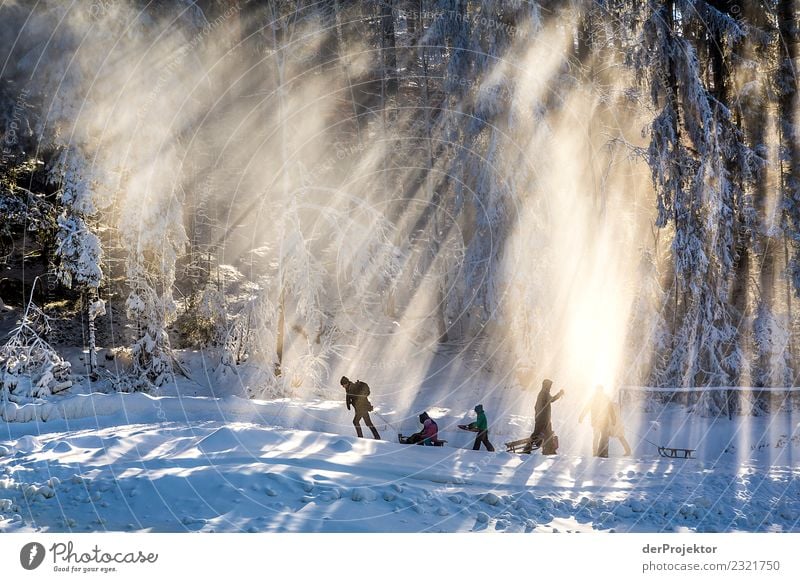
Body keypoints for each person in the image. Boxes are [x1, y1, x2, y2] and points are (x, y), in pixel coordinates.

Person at [528, 378, 565, 455]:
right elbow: (551, 400)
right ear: (546, 386)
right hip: (542, 419)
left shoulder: (543, 393)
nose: (550, 388)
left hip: (544, 419)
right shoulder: (544, 393)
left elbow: (535, 407)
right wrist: (560, 394)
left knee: (548, 434)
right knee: (537, 434)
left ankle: (549, 450)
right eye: (550, 386)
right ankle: (527, 448)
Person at [340, 376, 381, 440]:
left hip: (362, 408)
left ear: (346, 383)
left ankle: (360, 437)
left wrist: (367, 405)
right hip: (360, 408)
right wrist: (350, 402)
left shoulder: (353, 387)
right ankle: (377, 437)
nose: (343, 386)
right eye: (342, 385)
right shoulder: (349, 388)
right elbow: (352, 397)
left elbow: (361, 397)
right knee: (368, 423)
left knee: (355, 421)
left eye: (343, 385)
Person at [579, 385, 614, 457]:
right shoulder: (595, 398)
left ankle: (602, 452)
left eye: (600, 390)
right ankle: (596, 452)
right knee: (598, 437)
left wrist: (613, 419)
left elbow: (611, 409)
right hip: (597, 422)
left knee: (602, 437)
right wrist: (581, 416)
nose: (599, 391)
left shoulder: (604, 398)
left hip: (603, 422)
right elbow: (587, 408)